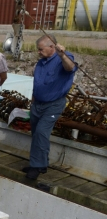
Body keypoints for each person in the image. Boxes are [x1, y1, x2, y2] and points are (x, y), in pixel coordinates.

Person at [22, 35, 77, 180]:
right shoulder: (41, 63)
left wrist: (62, 55)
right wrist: (32, 101)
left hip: (53, 104)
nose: (38, 52)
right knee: (36, 134)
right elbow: (37, 83)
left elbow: (70, 67)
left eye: (41, 49)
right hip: (38, 103)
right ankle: (40, 163)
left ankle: (36, 167)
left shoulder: (64, 58)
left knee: (41, 132)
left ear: (51, 47)